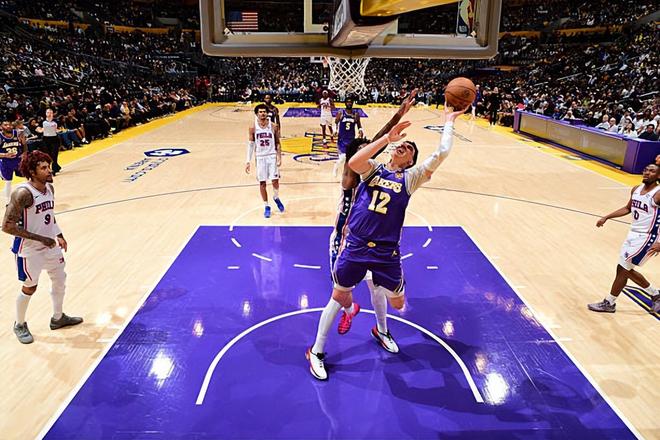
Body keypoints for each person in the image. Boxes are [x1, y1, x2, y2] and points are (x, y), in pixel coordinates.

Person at [306, 101, 469, 380]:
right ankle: (317, 351)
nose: (403, 147)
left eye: (409, 148)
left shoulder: (411, 178)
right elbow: (354, 162)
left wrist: (448, 120)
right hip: (356, 245)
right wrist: (387, 138)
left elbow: (442, 152)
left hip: (385, 252)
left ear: (411, 162)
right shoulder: (374, 169)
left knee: (397, 303)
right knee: (339, 296)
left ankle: (380, 329)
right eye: (402, 144)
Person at [326, 90, 419, 354]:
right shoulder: (352, 169)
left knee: (376, 288)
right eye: (364, 147)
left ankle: (381, 329)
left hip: (370, 240)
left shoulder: (374, 172)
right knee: (339, 294)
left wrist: (400, 113)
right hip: (346, 237)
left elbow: (381, 137)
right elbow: (376, 141)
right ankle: (348, 311)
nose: (371, 148)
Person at [3, 151, 83, 344]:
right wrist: (41, 239)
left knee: (60, 279)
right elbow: (7, 226)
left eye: (49, 166)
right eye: (44, 168)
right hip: (29, 249)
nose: (49, 170)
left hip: (49, 244)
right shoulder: (23, 193)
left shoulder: (49, 188)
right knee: (30, 287)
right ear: (32, 172)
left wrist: (59, 234)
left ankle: (58, 318)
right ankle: (19, 324)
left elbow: (49, 215)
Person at [588, 163, 660, 314]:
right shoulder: (636, 189)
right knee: (623, 269)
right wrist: (607, 217)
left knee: (623, 269)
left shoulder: (658, 193)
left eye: (652, 171)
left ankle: (609, 302)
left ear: (658, 176)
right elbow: (628, 208)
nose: (647, 172)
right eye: (646, 170)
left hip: (648, 237)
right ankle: (655, 294)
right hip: (633, 234)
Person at [246, 104, 284, 218]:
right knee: (262, 183)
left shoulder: (273, 126)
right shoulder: (253, 127)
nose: (262, 113)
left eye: (264, 112)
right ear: (256, 114)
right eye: (260, 112)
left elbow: (277, 143)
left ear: (267, 113)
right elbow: (251, 145)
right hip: (260, 157)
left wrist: (279, 157)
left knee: (275, 180)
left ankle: (276, 197)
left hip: (271, 156)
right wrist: (248, 161)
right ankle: (266, 206)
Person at [332, 96, 363, 177]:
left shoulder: (356, 114)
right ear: (345, 103)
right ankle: (336, 167)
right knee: (342, 158)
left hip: (351, 139)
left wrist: (360, 130)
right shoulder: (341, 112)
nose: (349, 103)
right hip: (342, 139)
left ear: (352, 103)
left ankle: (351, 173)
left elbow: (359, 125)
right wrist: (335, 130)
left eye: (350, 102)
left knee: (352, 158)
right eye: (348, 102)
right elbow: (336, 123)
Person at [0, 120, 26, 203]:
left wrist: (24, 153)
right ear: (1, 127)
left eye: (9, 124)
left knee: (27, 177)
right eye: (5, 125)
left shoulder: (18, 133)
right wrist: (5, 155)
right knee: (8, 182)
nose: (8, 126)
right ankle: (8, 202)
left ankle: (29, 196)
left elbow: (24, 144)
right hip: (6, 162)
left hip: (18, 160)